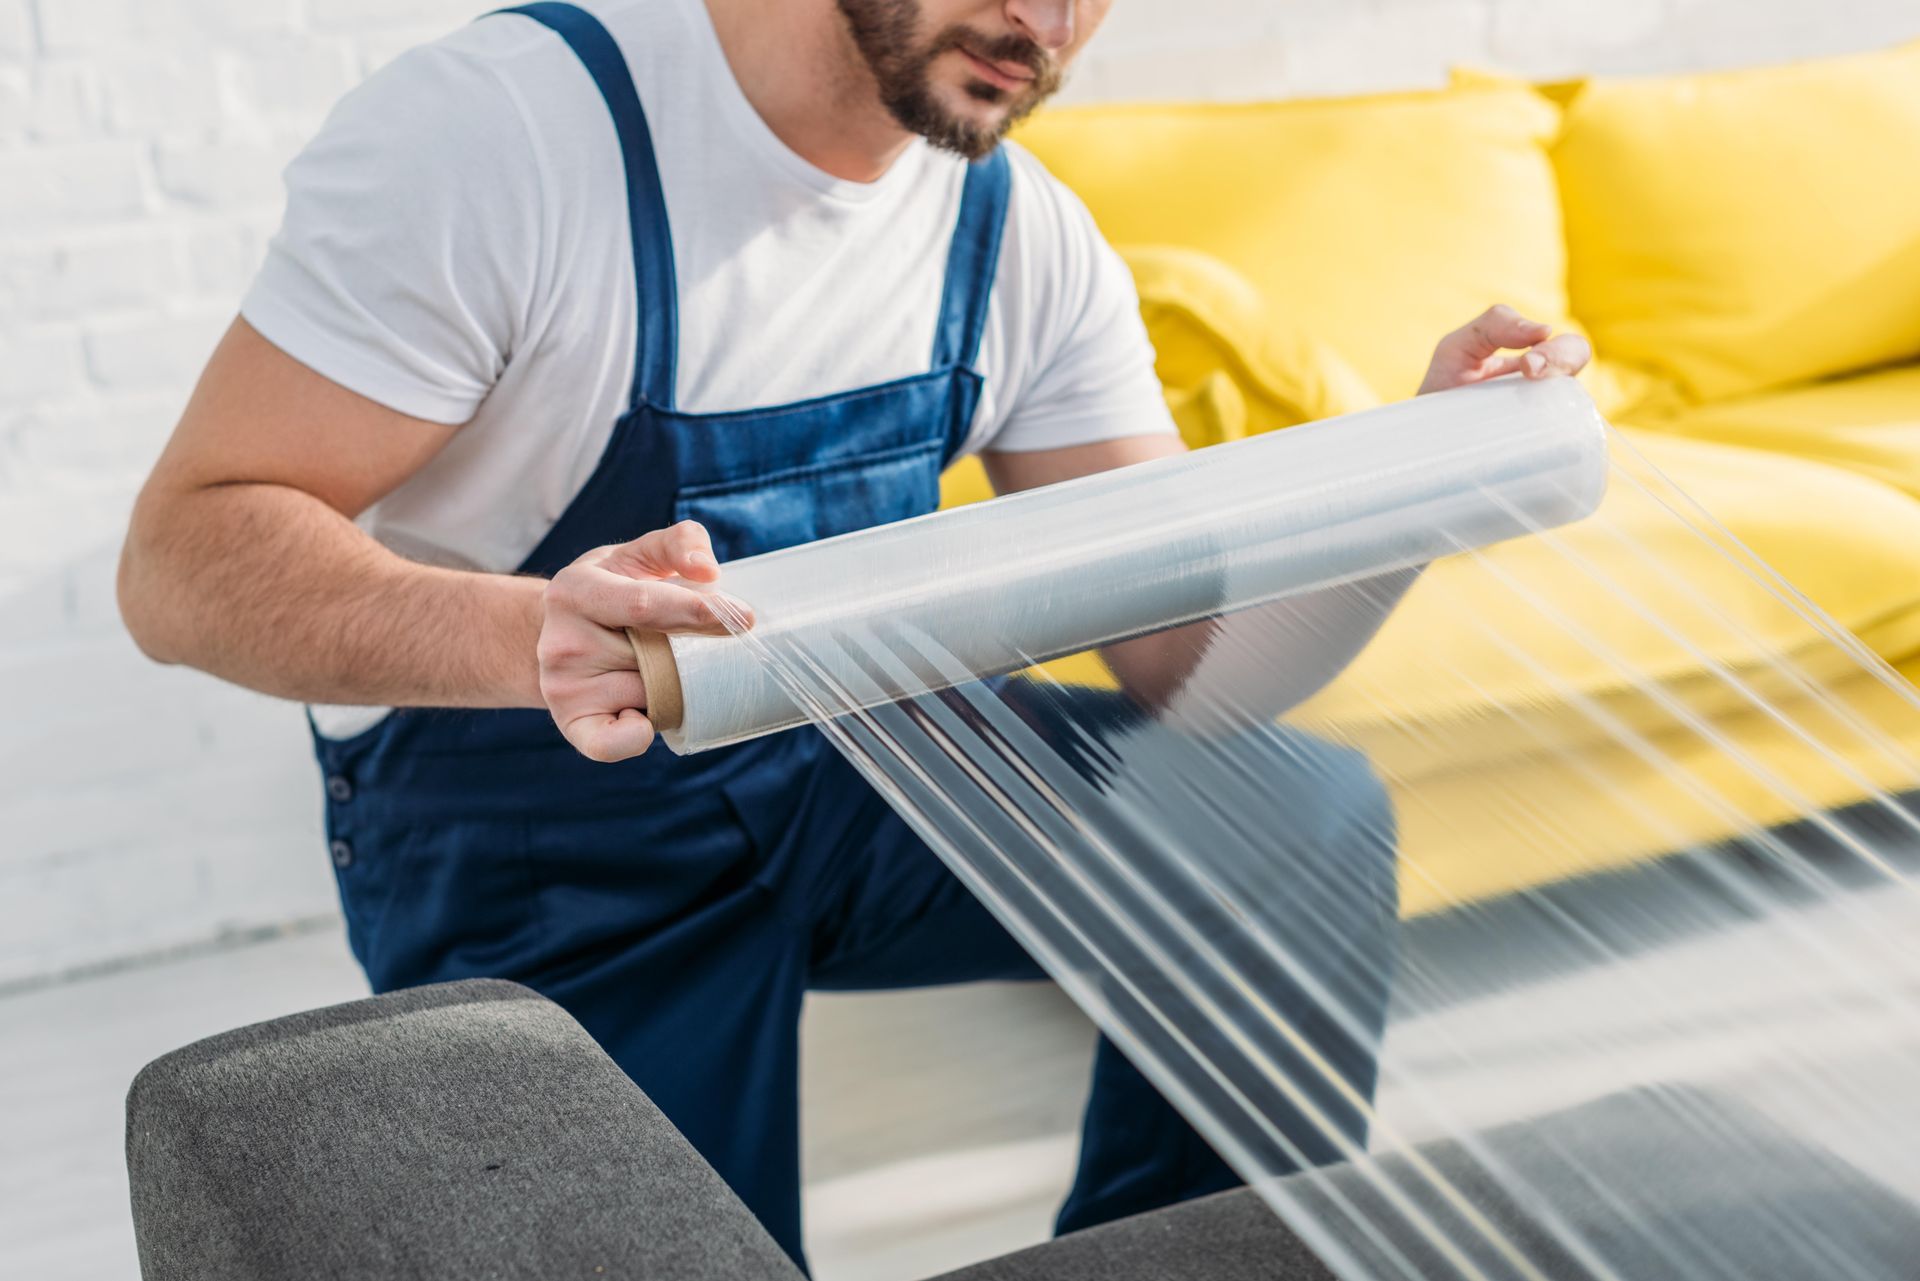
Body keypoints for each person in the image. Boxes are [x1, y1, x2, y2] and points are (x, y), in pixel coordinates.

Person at [117, 0, 1591, 1264]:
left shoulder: (1019, 233)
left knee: (1295, 815)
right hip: (544, 842)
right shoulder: (507, 136)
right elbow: (182, 559)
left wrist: (1411, 494)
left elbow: (1188, 665)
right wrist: (533, 638)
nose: (1053, 19)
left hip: (874, 778)